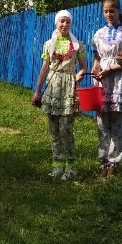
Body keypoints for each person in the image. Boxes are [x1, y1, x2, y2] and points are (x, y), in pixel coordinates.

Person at [31, 10, 86, 180]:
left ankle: (71, 167)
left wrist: (80, 74)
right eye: (62, 21)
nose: (64, 24)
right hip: (53, 88)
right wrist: (37, 90)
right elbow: (44, 68)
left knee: (66, 129)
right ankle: (57, 164)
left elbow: (84, 66)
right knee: (54, 129)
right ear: (56, 23)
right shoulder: (49, 44)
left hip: (69, 87)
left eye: (67, 22)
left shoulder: (77, 45)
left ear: (71, 24)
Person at [91, 0, 122, 178]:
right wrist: (95, 67)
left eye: (112, 11)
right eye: (106, 11)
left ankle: (114, 162)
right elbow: (97, 57)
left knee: (118, 122)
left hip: (119, 79)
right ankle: (103, 161)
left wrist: (109, 68)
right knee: (102, 123)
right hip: (102, 80)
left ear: (119, 11)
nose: (109, 14)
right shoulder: (98, 34)